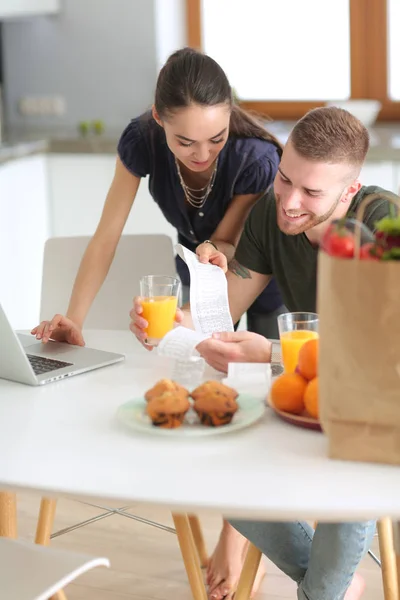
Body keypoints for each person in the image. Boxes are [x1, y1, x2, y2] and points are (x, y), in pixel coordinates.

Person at [31, 47, 285, 598]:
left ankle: (239, 539)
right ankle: (232, 523)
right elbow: (106, 236)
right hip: (201, 264)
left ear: (229, 120)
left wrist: (206, 294)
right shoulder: (140, 141)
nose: (202, 154)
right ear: (157, 119)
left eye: (214, 139)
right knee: (210, 390)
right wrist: (72, 319)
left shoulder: (254, 157)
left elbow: (233, 244)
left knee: (253, 403)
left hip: (256, 272)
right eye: (185, 141)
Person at [132, 106, 397, 599]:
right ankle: (326, 586)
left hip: (377, 412)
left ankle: (321, 591)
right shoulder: (270, 218)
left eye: (311, 192)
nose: (290, 201)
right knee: (218, 470)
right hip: (310, 401)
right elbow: (221, 312)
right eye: (284, 179)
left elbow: (380, 353)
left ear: (350, 191)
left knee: (347, 488)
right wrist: (164, 326)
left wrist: (271, 354)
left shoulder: (384, 224)